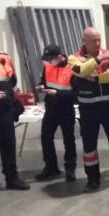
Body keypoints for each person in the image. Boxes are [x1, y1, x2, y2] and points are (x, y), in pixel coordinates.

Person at [69, 27, 109, 192]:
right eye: (93, 40)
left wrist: (93, 79)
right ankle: (92, 178)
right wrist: (98, 60)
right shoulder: (74, 58)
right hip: (88, 110)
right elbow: (81, 70)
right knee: (89, 145)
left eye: (99, 39)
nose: (97, 43)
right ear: (84, 41)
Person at [0, 33, 28, 196]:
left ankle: (12, 178)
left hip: (5, 110)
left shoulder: (4, 58)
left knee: (8, 145)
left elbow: (13, 81)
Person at [35, 44, 77, 182]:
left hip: (66, 109)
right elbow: (44, 82)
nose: (48, 61)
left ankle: (70, 169)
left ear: (59, 57)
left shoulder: (72, 68)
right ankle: (51, 168)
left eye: (50, 58)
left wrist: (57, 93)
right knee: (46, 138)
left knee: (68, 140)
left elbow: (76, 94)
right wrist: (41, 86)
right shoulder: (47, 66)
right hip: (51, 109)